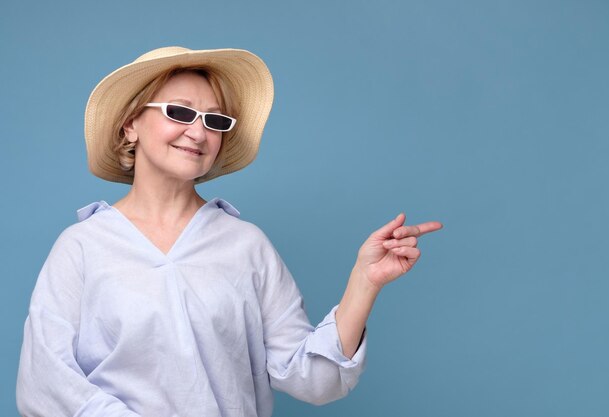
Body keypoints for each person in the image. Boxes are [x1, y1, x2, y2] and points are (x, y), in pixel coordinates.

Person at [16, 46, 443, 417]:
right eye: (179, 112)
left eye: (215, 120)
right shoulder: (83, 247)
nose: (198, 132)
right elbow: (44, 383)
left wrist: (363, 283)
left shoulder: (246, 246)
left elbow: (315, 380)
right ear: (131, 125)